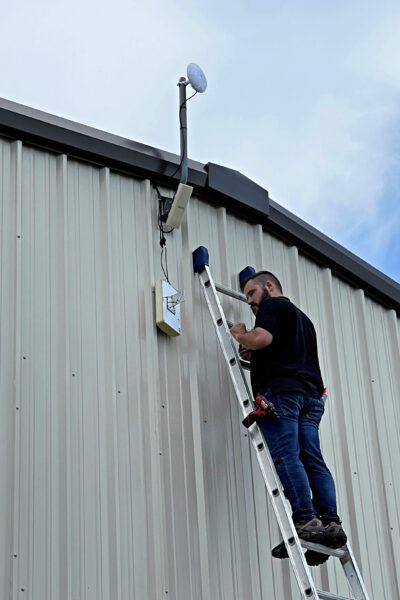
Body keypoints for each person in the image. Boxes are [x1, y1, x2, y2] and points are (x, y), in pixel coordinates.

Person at [230, 270, 347, 566]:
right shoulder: (304, 320)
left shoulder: (273, 306)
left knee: (286, 455)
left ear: (269, 286)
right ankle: (330, 524)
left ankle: (306, 520)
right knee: (312, 458)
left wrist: (242, 334)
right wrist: (255, 353)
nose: (251, 302)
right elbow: (279, 350)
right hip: (310, 398)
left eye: (252, 294)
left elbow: (261, 337)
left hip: (282, 396)